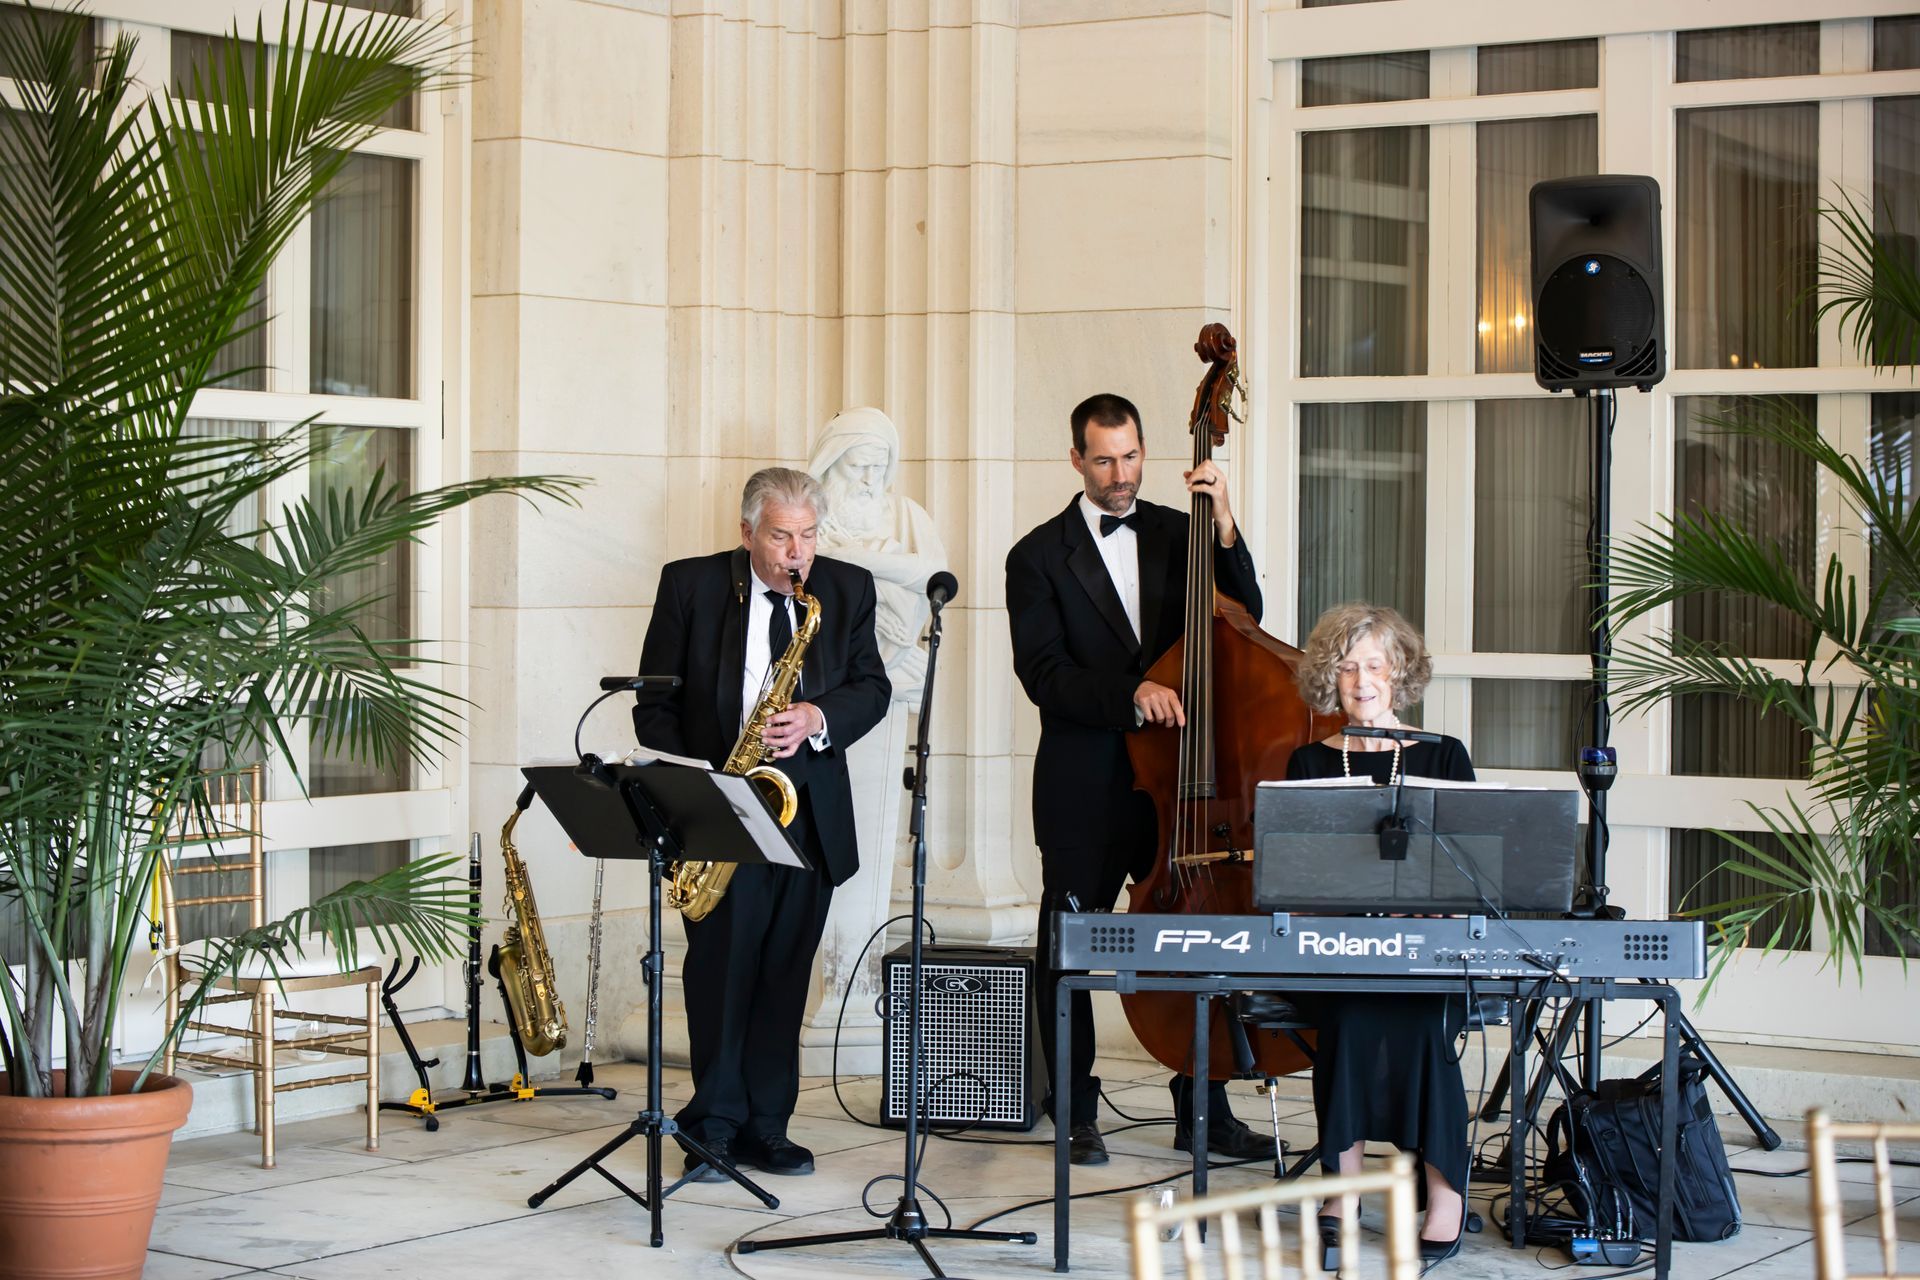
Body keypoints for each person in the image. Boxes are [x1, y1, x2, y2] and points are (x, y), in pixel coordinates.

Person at [1006, 392, 1277, 1167]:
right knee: (1068, 941)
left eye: (1130, 458)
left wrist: (1224, 523)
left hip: (1185, 778)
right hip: (1085, 781)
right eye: (1103, 460)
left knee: (1206, 938)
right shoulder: (1034, 556)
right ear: (1075, 460)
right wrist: (1131, 694)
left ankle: (1207, 1106)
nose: (1120, 475)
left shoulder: (1180, 530)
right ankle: (1074, 1109)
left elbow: (1243, 620)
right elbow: (1044, 674)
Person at [632, 467, 891, 1182]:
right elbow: (652, 705)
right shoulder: (691, 584)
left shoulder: (845, 589)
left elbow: (872, 686)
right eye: (781, 535)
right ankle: (710, 1128)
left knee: (783, 976)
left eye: (808, 535)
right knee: (720, 975)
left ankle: (767, 1129)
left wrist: (817, 717)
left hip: (807, 815)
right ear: (747, 532)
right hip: (722, 809)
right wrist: (703, 781)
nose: (796, 552)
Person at [1285, 602, 1472, 1267]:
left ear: (1399, 672)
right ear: (1328, 680)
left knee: (1423, 1026)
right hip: (1339, 953)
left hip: (1429, 956)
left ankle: (1446, 1195)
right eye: (1346, 668)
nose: (1362, 680)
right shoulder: (1307, 762)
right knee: (1351, 1015)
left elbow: (1468, 873)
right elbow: (1295, 878)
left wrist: (1427, 913)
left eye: (1374, 665)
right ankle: (1345, 1191)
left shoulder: (1445, 755)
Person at [806, 407, 950, 701]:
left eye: (880, 467)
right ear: (831, 461)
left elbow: (935, 578)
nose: (871, 479)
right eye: (859, 466)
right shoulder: (803, 515)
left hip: (896, 662)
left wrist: (852, 558)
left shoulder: (906, 512)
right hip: (818, 664)